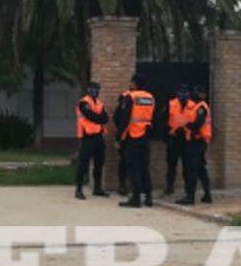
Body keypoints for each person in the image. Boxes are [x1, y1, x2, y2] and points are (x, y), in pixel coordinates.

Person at [114, 72, 156, 208]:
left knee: (133, 167)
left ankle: (136, 198)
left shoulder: (130, 97)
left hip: (132, 136)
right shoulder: (150, 98)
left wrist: (119, 138)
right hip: (145, 136)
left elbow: (124, 120)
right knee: (144, 167)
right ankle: (149, 197)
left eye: (132, 82)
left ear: (134, 83)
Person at [74, 81, 110, 199]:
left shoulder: (99, 103)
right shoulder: (83, 102)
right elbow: (90, 116)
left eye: (97, 89)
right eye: (93, 89)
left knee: (99, 163)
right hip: (87, 137)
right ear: (88, 90)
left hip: (99, 136)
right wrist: (99, 118)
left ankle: (97, 188)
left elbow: (106, 119)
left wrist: (99, 118)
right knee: (83, 164)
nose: (95, 91)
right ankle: (79, 190)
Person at [178, 86, 214, 204]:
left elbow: (198, 124)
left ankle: (190, 196)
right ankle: (206, 194)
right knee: (200, 168)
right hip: (196, 141)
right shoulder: (195, 106)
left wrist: (186, 124)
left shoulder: (201, 107)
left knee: (192, 169)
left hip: (197, 141)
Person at [164, 84, 195, 195]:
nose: (183, 95)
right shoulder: (171, 104)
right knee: (171, 166)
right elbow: (163, 119)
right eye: (181, 92)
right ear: (177, 93)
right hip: (174, 138)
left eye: (186, 93)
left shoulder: (193, 105)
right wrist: (167, 133)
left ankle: (188, 190)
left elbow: (195, 122)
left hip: (187, 140)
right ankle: (169, 187)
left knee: (187, 167)